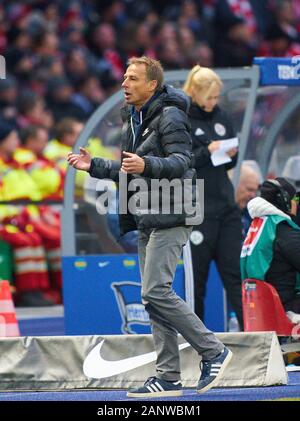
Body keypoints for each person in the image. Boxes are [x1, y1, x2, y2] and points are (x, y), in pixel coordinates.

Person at [67, 56, 232, 398]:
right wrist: (93, 165)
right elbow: (132, 167)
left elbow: (183, 162)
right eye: (124, 77)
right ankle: (168, 376)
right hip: (147, 213)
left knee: (155, 291)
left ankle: (214, 351)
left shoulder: (171, 115)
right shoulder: (133, 116)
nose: (124, 84)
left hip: (173, 212)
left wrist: (147, 164)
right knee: (153, 299)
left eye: (132, 79)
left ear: (151, 85)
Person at [182, 65, 243, 328]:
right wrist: (208, 150)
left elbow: (230, 163)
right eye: (210, 97)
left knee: (236, 277)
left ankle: (253, 336)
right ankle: (197, 342)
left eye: (217, 97)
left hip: (226, 210)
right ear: (195, 92)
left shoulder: (222, 117)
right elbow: (182, 163)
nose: (213, 102)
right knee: (197, 281)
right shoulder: (181, 120)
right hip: (199, 212)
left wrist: (230, 155)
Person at [241, 177, 300, 324]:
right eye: (295, 199)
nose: (296, 205)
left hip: (262, 309)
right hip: (288, 309)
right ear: (285, 200)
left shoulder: (258, 226)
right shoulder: (284, 231)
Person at [235, 163, 261, 238]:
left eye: (255, 191)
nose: (252, 195)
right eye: (249, 189)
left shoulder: (251, 217)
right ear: (235, 184)